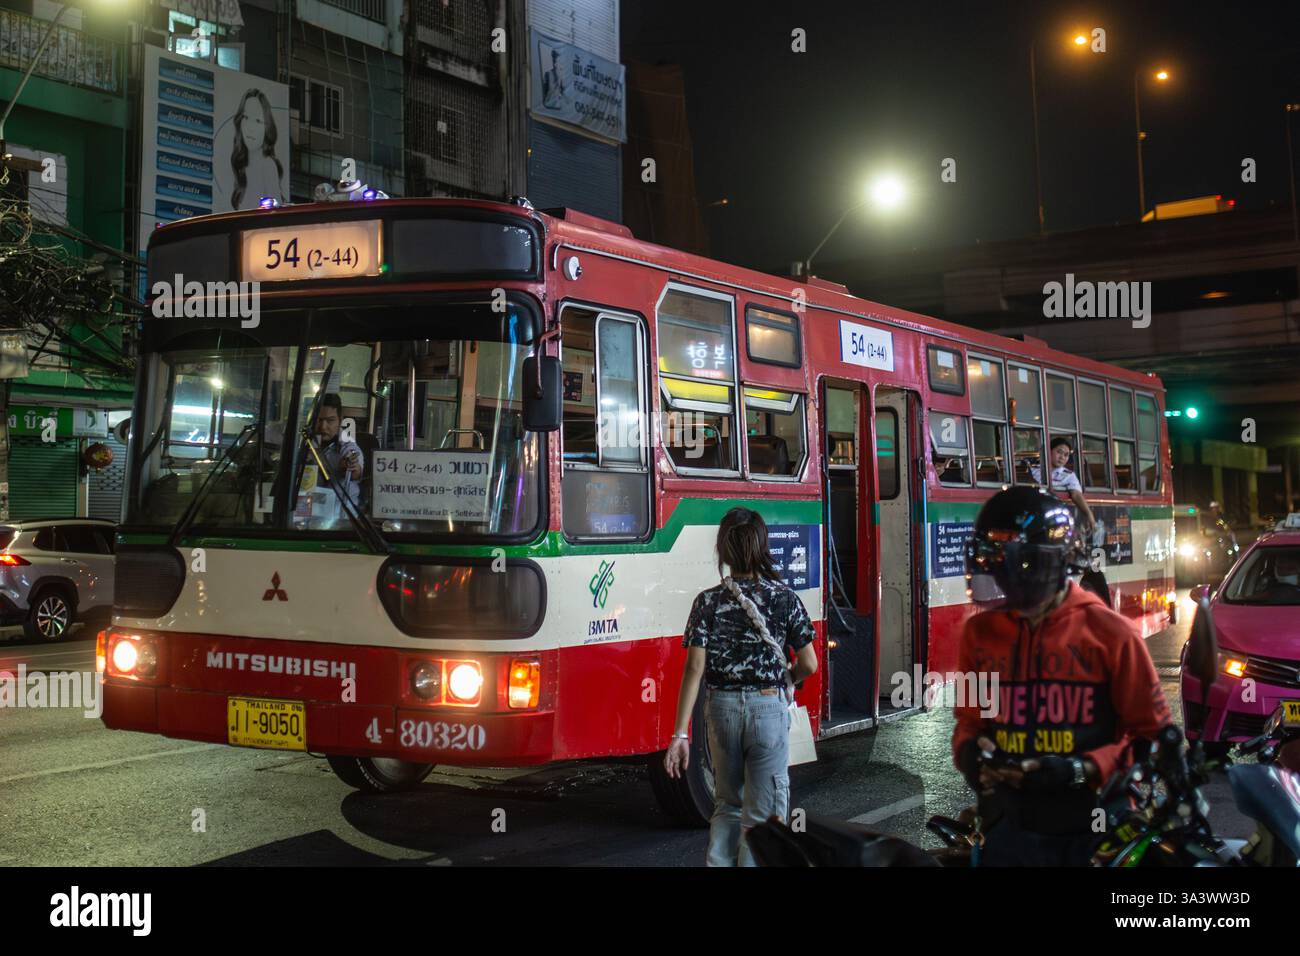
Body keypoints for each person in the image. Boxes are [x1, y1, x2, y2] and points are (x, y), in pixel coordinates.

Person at [953, 486, 1172, 865]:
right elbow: (970, 724)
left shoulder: (1112, 634)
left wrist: (1078, 768)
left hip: (1096, 830)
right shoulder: (980, 634)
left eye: (1022, 566)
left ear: (1058, 562)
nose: (1008, 580)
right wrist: (972, 756)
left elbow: (1154, 738)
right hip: (1010, 828)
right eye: (997, 565)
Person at [665, 507, 819, 866]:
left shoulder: (707, 601)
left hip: (721, 711)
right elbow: (809, 663)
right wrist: (788, 680)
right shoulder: (784, 599)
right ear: (761, 548)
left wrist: (679, 735)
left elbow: (695, 668)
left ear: (724, 551)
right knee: (762, 817)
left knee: (728, 805)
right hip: (767, 708)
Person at [230, 88, 286, 210]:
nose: (250, 127)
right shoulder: (242, 166)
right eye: (245, 117)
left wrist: (259, 204)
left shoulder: (267, 165)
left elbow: (276, 204)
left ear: (267, 127)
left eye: (257, 120)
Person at [313, 393, 364, 511]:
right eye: (319, 420)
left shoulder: (348, 445)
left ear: (340, 420)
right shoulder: (307, 443)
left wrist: (349, 467)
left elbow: (356, 471)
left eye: (330, 420)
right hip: (309, 512)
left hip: (340, 517)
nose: (323, 427)